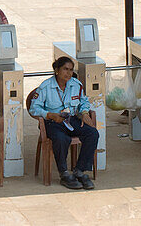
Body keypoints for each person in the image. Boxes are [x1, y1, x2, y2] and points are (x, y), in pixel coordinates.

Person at [28, 56, 99, 191]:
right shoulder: (46, 87)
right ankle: (64, 173)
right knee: (62, 139)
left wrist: (84, 112)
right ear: (56, 70)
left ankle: (79, 171)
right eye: (65, 69)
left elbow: (84, 101)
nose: (68, 73)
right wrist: (49, 115)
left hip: (71, 120)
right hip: (53, 122)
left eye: (71, 70)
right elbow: (34, 108)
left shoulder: (76, 85)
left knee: (92, 133)